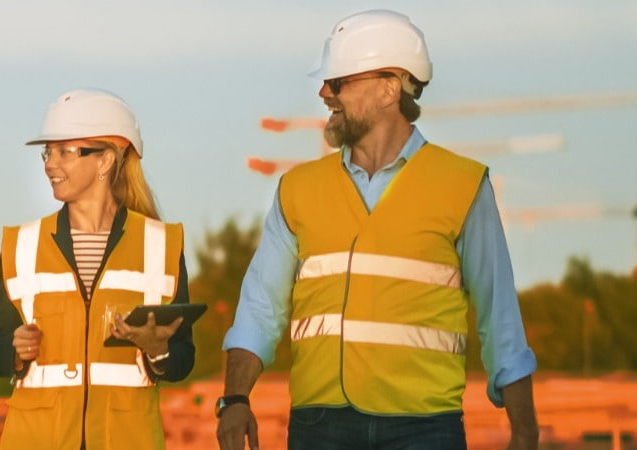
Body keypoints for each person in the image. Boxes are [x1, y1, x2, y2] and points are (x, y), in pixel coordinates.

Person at [216, 10, 539, 450]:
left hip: (425, 429)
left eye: (339, 82)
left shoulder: (461, 185)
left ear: (389, 88)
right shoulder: (297, 190)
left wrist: (524, 430)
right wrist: (235, 398)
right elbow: (259, 309)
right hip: (319, 426)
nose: (324, 93)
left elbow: (498, 314)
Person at [0, 89, 195, 449]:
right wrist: (13, 351)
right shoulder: (23, 245)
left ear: (106, 160)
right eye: (49, 152)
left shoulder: (161, 245)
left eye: (65, 151)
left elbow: (183, 358)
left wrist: (159, 352)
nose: (49, 164)